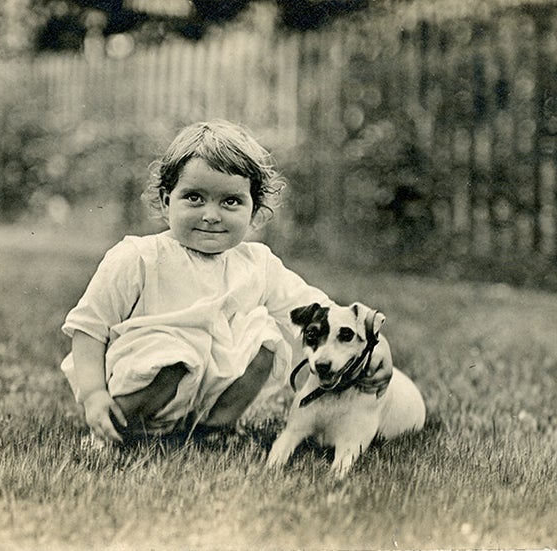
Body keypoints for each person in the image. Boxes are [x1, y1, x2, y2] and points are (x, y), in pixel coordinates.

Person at [60, 120, 390, 443]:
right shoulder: (138, 258)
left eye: (230, 201)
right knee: (173, 354)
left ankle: (214, 430)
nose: (211, 215)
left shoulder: (257, 264)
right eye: (194, 198)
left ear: (254, 209)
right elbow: (90, 326)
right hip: (144, 379)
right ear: (165, 200)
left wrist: (376, 346)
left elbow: (320, 311)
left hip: (205, 392)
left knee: (266, 336)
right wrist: (93, 394)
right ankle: (114, 432)